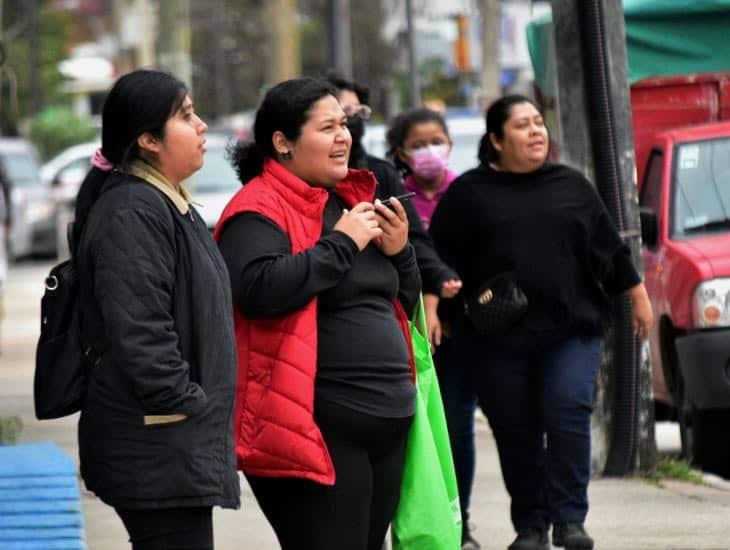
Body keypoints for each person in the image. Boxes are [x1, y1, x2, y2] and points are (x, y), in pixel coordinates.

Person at [429, 94, 654, 550]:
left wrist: (638, 296)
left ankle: (570, 520)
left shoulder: (572, 185)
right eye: (521, 125)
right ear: (495, 140)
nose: (535, 132)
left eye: (538, 123)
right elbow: (437, 259)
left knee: (567, 410)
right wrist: (437, 308)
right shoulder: (468, 195)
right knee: (515, 430)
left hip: (571, 330)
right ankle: (530, 525)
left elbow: (608, 249)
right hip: (496, 340)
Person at [215, 77, 421, 550]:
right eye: (327, 127)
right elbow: (258, 289)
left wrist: (402, 253)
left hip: (388, 419)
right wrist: (343, 243)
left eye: (344, 125)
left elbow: (400, 303)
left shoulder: (348, 200)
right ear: (283, 143)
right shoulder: (257, 208)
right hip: (315, 428)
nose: (343, 137)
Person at [74, 69, 240, 549]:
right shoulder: (133, 212)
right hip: (157, 441)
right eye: (186, 116)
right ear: (148, 139)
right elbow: (141, 330)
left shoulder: (163, 203)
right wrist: (186, 402)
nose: (202, 125)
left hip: (172, 440)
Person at [386, 107, 480, 549]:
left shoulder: (466, 192)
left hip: (462, 329)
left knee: (455, 427)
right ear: (401, 152)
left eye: (436, 140)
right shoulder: (394, 198)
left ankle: (457, 517)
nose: (429, 151)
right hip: (414, 332)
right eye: (418, 144)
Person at [325, 72, 462, 305]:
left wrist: (436, 275)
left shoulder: (381, 173)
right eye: (345, 113)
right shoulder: (309, 181)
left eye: (359, 113)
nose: (351, 123)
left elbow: (413, 240)